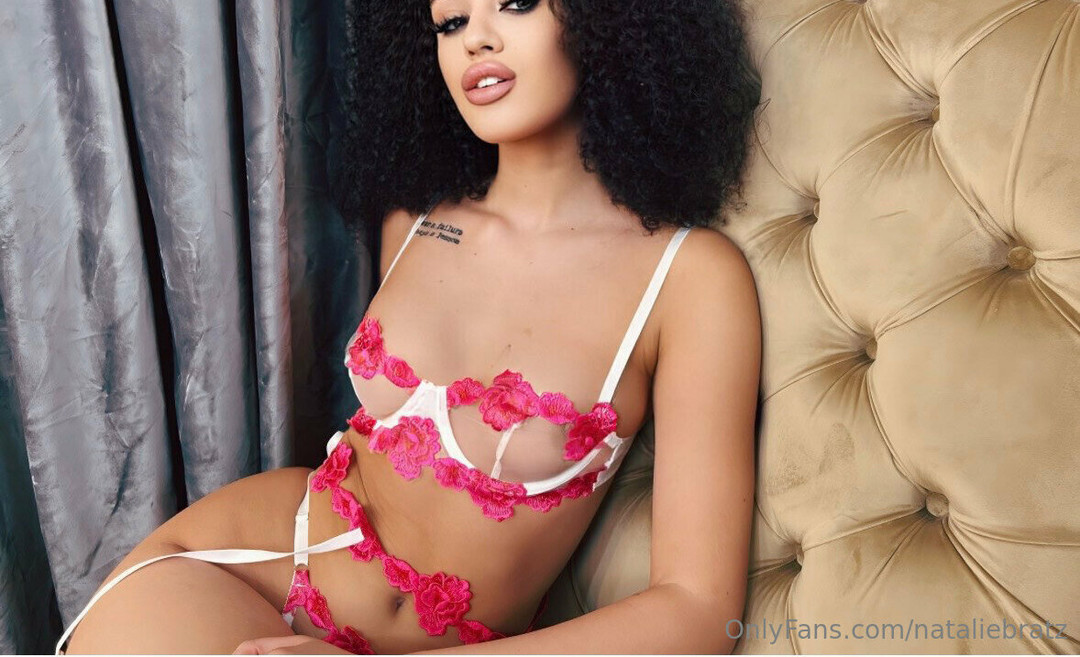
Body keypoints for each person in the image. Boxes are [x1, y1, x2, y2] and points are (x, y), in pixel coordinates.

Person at [59, 0, 762, 653]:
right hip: (250, 560)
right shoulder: (417, 220)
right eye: (450, 21)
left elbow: (699, 610)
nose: (476, 39)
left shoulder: (689, 278)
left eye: (516, 3)